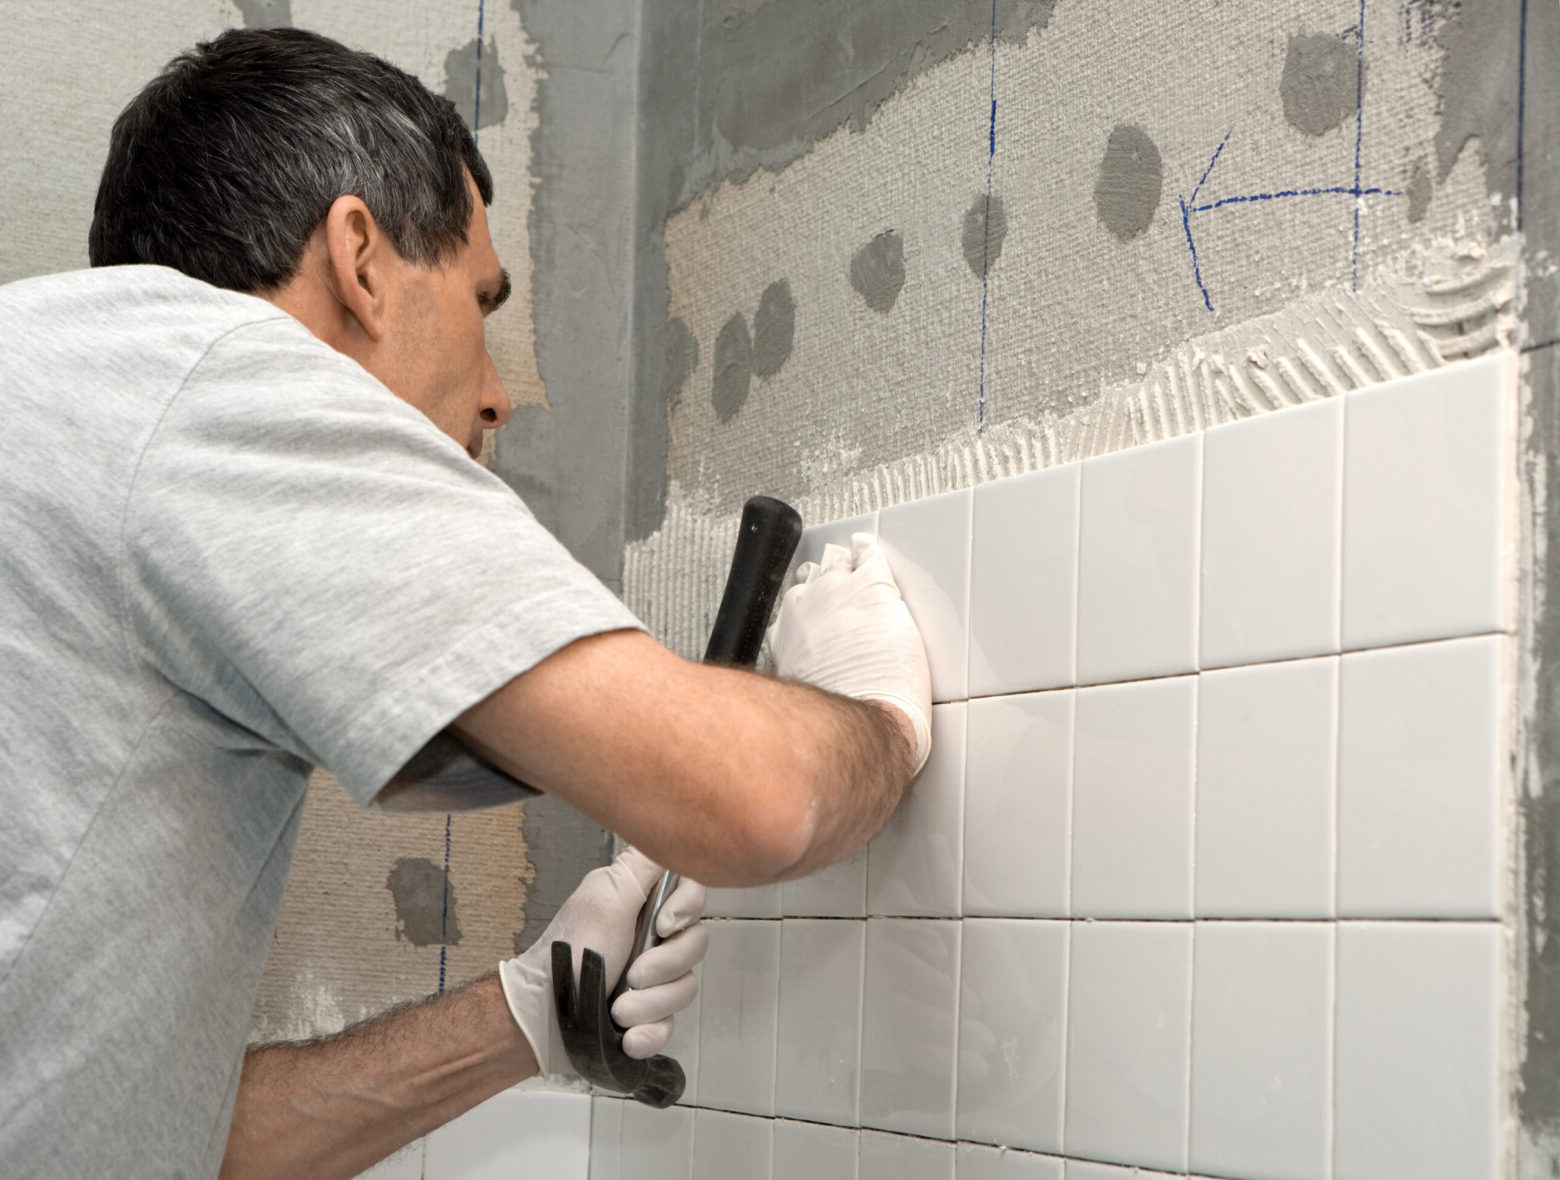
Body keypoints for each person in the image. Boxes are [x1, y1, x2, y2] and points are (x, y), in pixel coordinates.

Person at [0, 26, 932, 1180]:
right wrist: (880, 716)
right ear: (361, 259)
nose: (495, 399)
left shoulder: (71, 395)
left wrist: (525, 1015)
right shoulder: (222, 381)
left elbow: (152, 1142)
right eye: (481, 303)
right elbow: (760, 803)